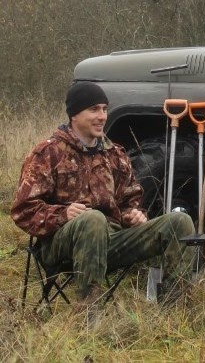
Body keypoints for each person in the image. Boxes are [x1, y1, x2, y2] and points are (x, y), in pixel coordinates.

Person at [11, 82, 195, 311]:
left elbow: (131, 198)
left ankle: (174, 309)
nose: (102, 116)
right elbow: (23, 210)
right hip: (61, 244)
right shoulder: (48, 153)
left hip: (113, 241)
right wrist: (63, 213)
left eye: (105, 109)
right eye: (94, 109)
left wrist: (132, 215)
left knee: (179, 222)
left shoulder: (115, 154)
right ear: (74, 114)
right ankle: (91, 311)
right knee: (93, 219)